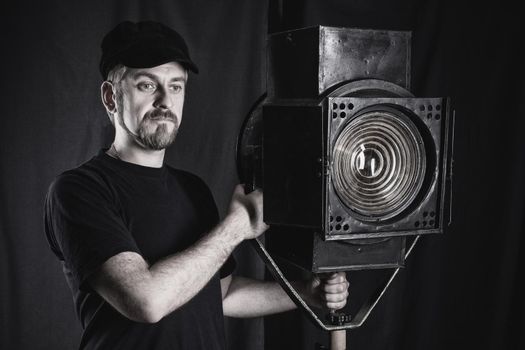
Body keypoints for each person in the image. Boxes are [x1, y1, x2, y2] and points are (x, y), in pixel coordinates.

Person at [44, 20, 349, 350]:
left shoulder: (192, 189)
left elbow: (222, 294)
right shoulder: (78, 191)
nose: (165, 100)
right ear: (110, 97)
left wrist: (306, 293)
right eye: (147, 85)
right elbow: (147, 301)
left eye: (176, 86)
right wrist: (236, 228)